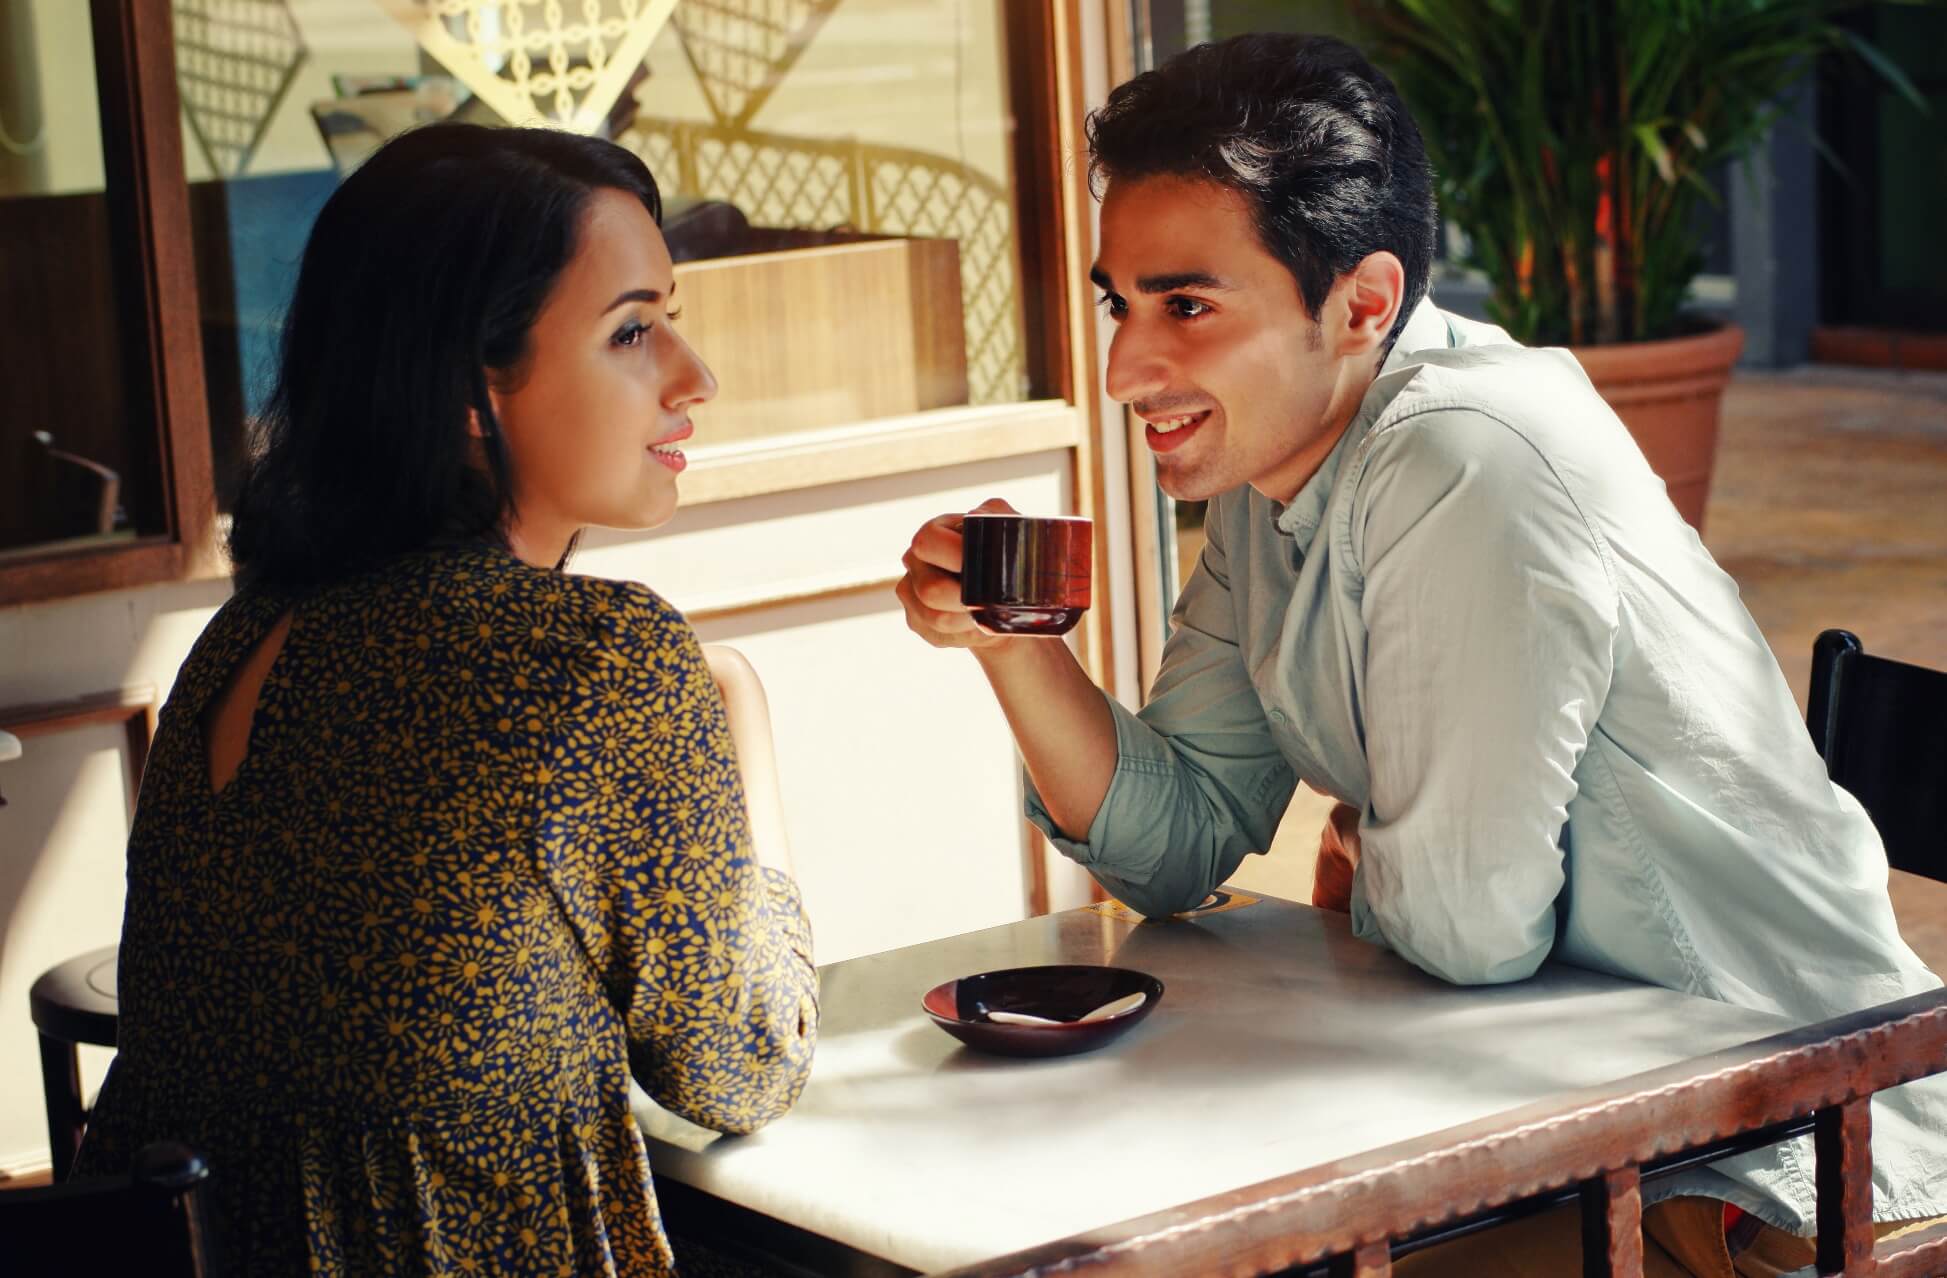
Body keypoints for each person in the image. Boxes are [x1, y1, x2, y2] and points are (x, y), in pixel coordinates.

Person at [895, 33, 1945, 1276]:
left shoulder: (1466, 457)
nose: (1127, 366)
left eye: (1187, 305)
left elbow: (1465, 931)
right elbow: (1177, 851)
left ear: (1363, 302)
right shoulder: (1271, 475)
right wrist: (1011, 650)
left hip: (1791, 1167)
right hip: (1556, 1118)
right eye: (1121, 303)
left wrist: (1366, 860)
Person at [74, 123, 818, 1276]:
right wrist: (741, 719)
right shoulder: (591, 665)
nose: (693, 376)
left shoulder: (248, 638)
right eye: (631, 331)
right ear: (475, 388)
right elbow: (743, 1064)